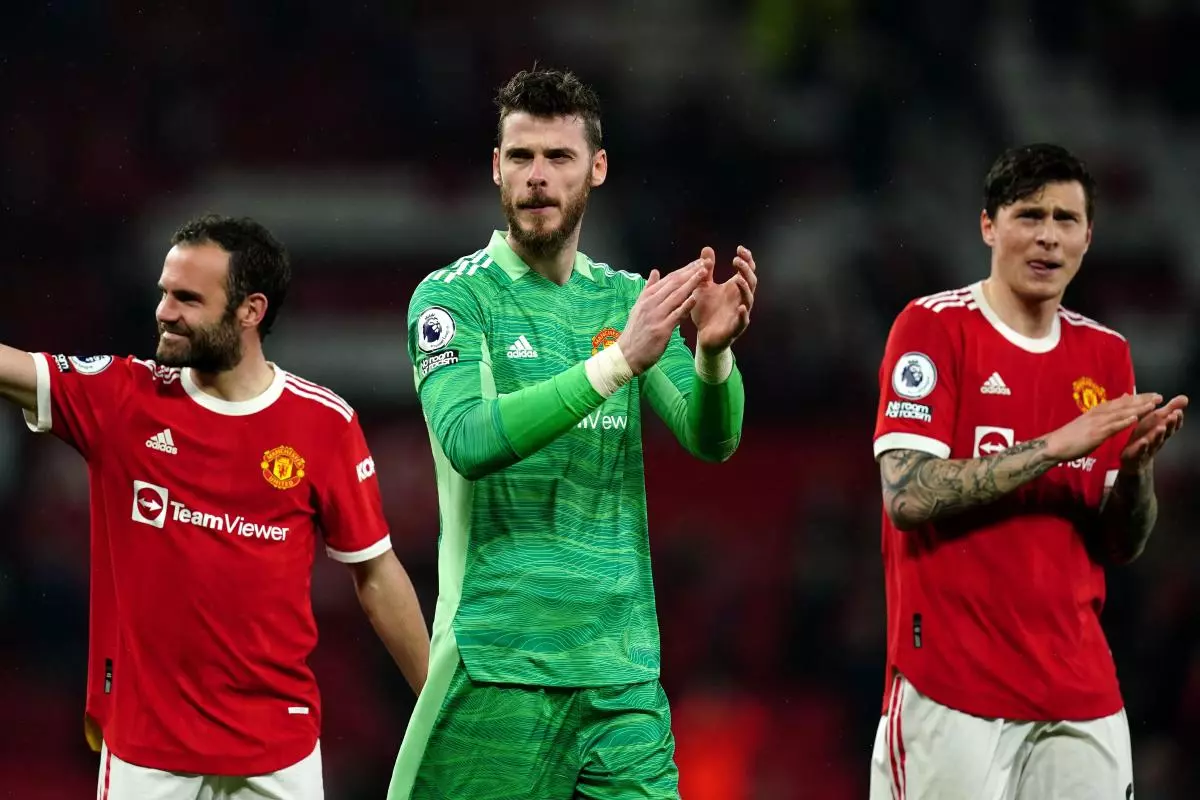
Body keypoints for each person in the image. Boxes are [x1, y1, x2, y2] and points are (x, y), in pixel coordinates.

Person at [387, 66, 755, 799]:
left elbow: (710, 438)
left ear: (597, 168)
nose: (537, 178)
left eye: (558, 158)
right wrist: (618, 362)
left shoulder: (626, 299)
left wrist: (712, 355)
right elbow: (469, 438)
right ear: (496, 167)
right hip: (499, 665)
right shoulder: (454, 297)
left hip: (621, 676)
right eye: (520, 156)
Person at [0, 214, 431, 799]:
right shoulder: (125, 400)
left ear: (250, 310)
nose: (163, 311)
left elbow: (376, 575)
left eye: (186, 298)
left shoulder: (324, 424)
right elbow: (13, 368)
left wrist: (436, 702)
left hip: (279, 752)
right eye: (163, 292)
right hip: (146, 754)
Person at [869, 143, 1187, 799]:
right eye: (1029, 215)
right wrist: (1051, 446)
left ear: (1089, 236)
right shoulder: (932, 329)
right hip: (952, 684)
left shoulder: (1106, 354)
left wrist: (1134, 476)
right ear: (989, 225)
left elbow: (1122, 544)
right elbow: (906, 495)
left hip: (1080, 689)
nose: (1047, 236)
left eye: (1066, 219)